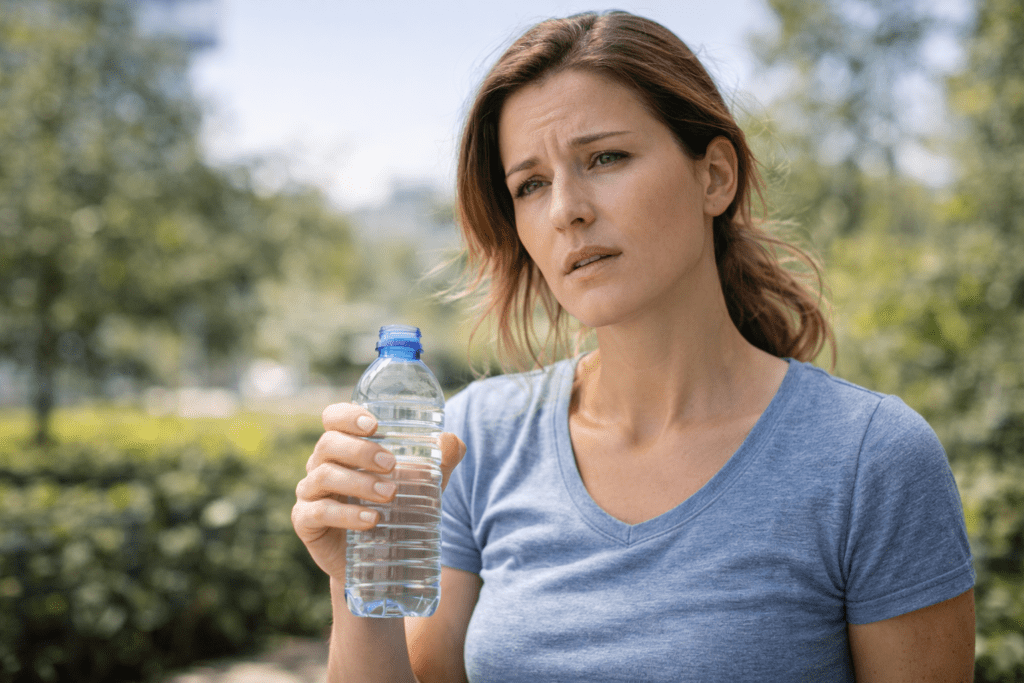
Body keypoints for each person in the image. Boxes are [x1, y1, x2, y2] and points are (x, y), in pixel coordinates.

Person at [292, 10, 976, 682]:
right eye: (530, 184)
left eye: (604, 157)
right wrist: (360, 583)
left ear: (715, 177)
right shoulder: (474, 440)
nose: (566, 210)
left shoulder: (872, 460)